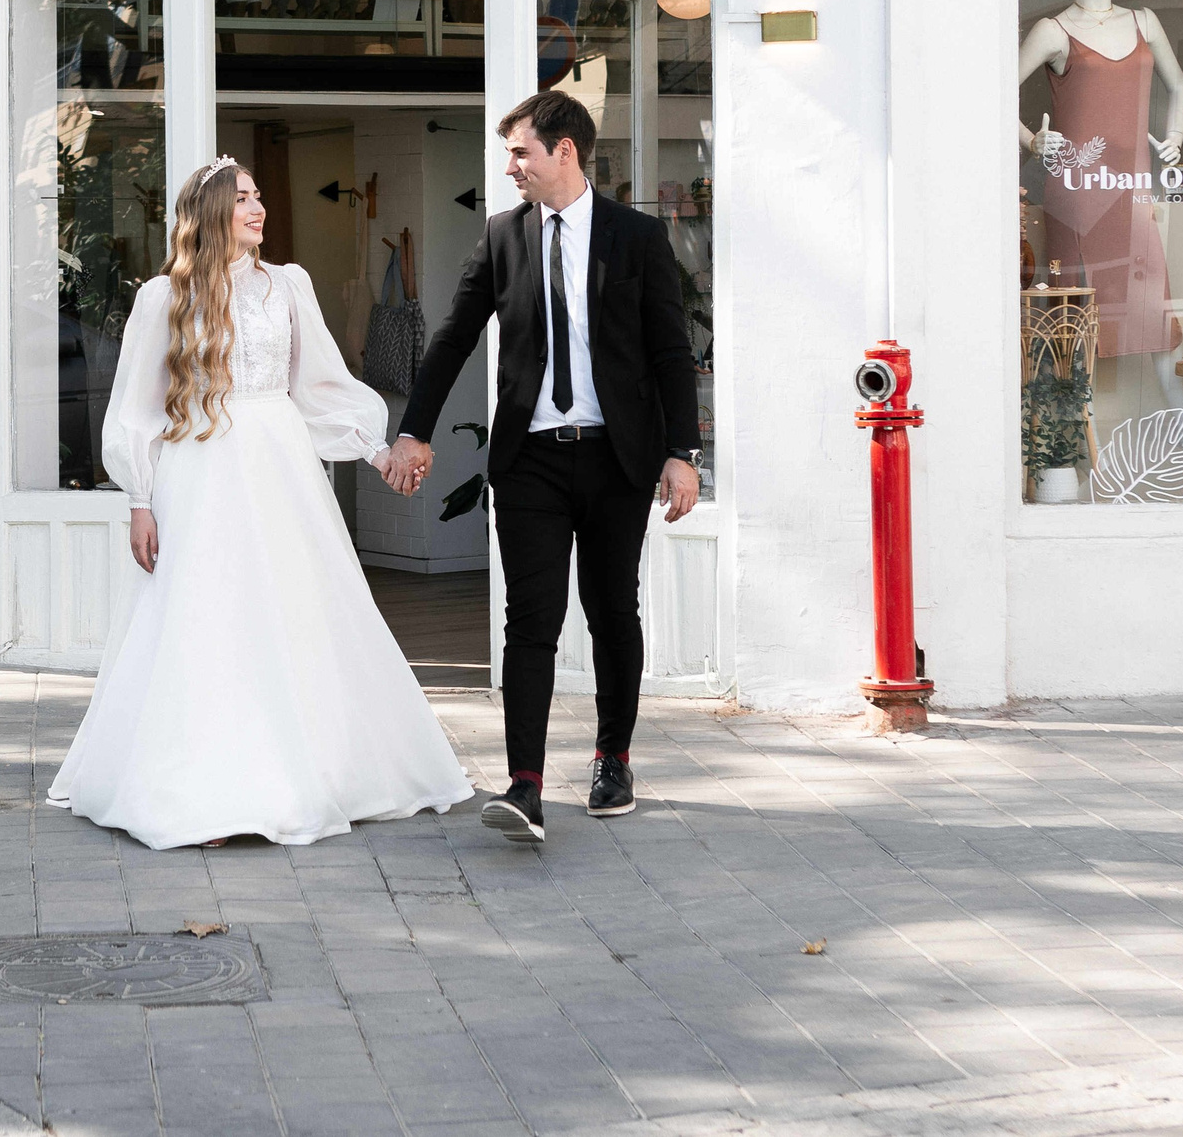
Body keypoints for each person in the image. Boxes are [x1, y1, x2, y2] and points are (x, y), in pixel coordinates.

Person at [46, 157, 476, 849]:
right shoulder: (164, 298)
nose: (258, 208)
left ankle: (322, 771)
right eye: (242, 198)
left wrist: (377, 449)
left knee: (296, 612)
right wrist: (139, 499)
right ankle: (207, 793)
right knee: (208, 621)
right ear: (212, 212)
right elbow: (137, 407)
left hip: (280, 470)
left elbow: (321, 386)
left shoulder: (289, 286)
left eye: (257, 195)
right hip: (199, 473)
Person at [381, 91, 701, 845]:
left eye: (520, 151)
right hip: (531, 464)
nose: (510, 166)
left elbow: (670, 354)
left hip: (618, 461)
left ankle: (612, 760)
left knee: (612, 612)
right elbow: (455, 338)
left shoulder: (636, 237)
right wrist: (413, 432)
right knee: (530, 620)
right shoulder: (503, 238)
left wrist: (680, 454)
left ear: (565, 150)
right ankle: (524, 784)